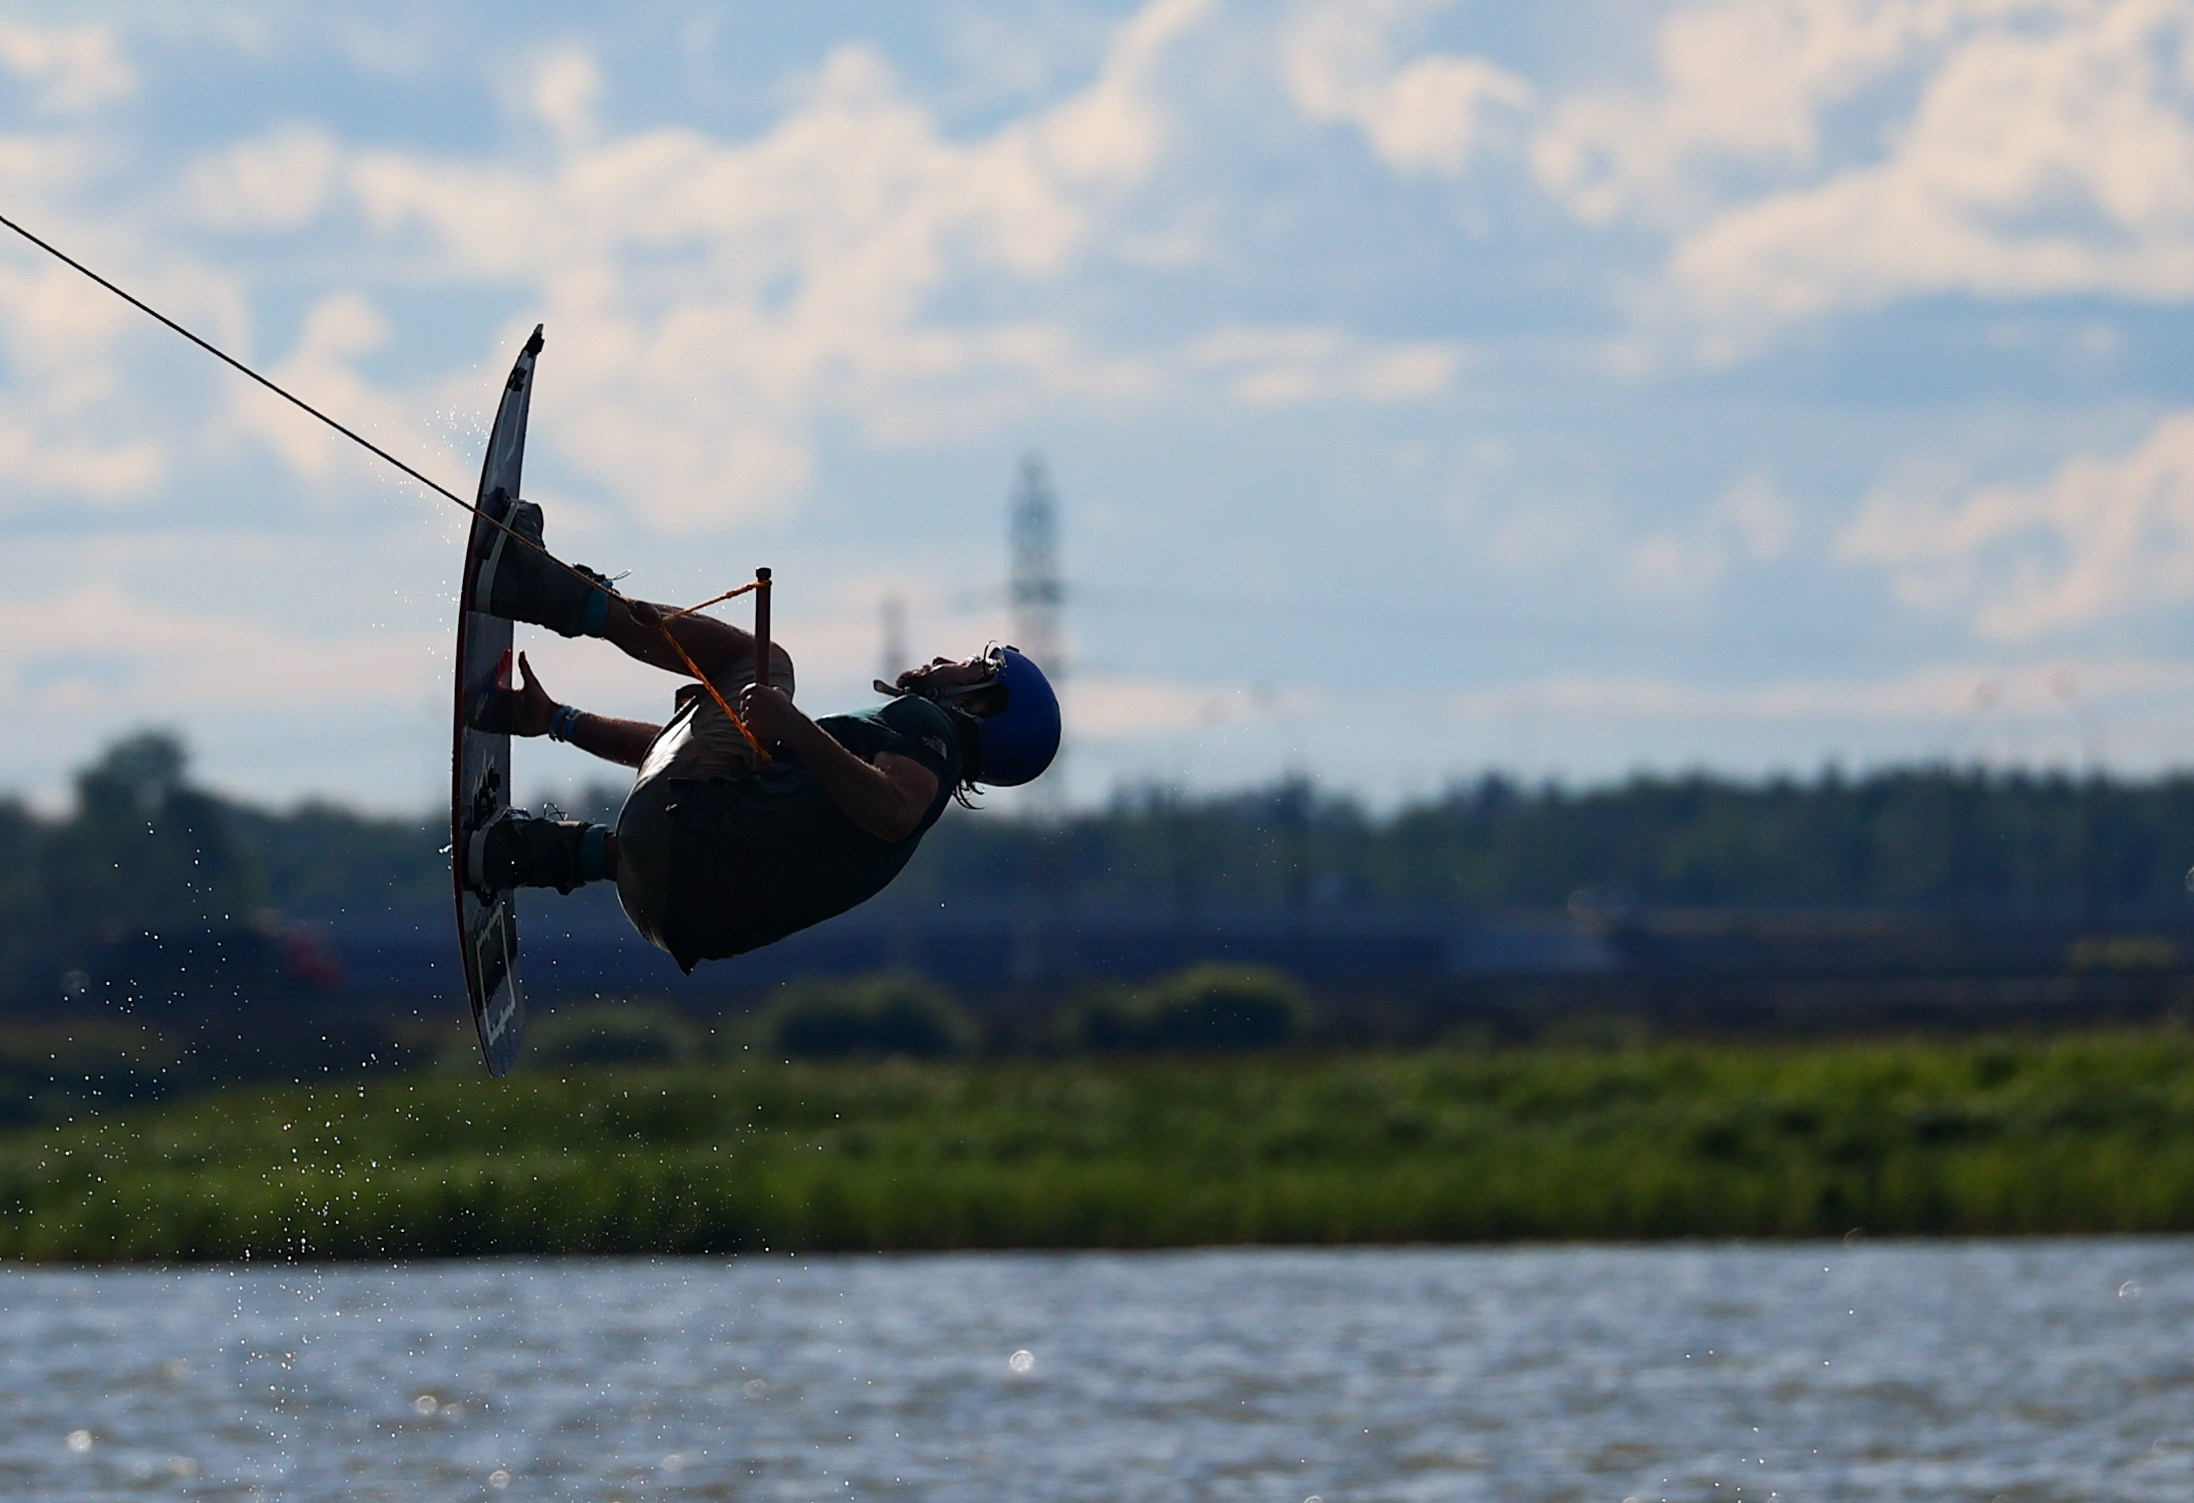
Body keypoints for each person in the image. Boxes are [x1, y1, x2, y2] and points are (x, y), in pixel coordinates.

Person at [465, 501, 1060, 972]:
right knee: (723, 812)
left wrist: (793, 725)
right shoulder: (888, 796)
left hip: (680, 835)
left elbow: (895, 809)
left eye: (974, 669)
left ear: (982, 706)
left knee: (769, 663)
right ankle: (519, 854)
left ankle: (538, 586)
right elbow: (686, 759)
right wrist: (558, 721)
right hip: (668, 911)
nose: (943, 660)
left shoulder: (927, 732)